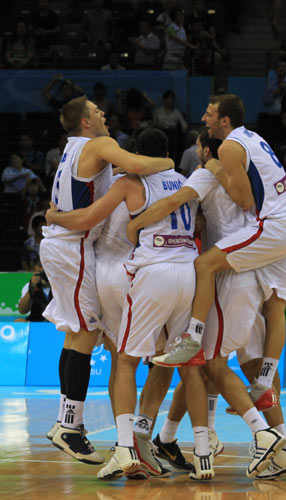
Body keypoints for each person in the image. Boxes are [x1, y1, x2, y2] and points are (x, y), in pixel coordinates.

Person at [130, 127, 286, 478]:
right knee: (244, 367)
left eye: (199, 145)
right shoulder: (242, 178)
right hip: (256, 264)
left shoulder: (206, 171)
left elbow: (173, 203)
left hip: (229, 276)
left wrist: (135, 225)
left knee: (206, 362)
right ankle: (281, 447)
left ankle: (260, 433)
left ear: (207, 151)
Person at [45, 127, 212, 480]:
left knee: (124, 359)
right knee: (165, 359)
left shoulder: (125, 181)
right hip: (177, 269)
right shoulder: (185, 182)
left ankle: (125, 443)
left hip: (123, 271)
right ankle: (143, 435)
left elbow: (88, 219)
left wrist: (55, 217)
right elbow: (198, 222)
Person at [39, 96, 174, 466]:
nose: (104, 114)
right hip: (74, 247)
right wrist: (168, 161)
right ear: (85, 122)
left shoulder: (72, 148)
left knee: (75, 333)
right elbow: (135, 164)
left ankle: (69, 423)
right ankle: (71, 425)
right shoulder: (99, 144)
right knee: (86, 333)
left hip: (64, 246)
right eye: (97, 111)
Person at [151, 94, 286, 417]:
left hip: (270, 229)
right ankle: (266, 397)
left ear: (225, 120)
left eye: (209, 114)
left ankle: (191, 338)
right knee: (276, 312)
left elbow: (245, 200)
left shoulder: (230, 148)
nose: (203, 117)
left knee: (204, 267)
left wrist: (216, 169)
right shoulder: (254, 138)